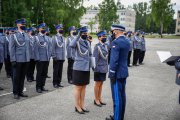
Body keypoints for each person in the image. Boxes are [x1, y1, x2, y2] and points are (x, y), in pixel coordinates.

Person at [106, 24, 130, 120]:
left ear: (116, 31)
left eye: (113, 31)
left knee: (117, 98)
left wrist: (111, 73)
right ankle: (119, 116)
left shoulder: (116, 42)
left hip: (116, 73)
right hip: (123, 72)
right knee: (122, 96)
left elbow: (114, 60)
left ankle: (116, 118)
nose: (112, 33)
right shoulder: (126, 41)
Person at [70, 27, 92, 114]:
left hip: (86, 67)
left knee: (84, 87)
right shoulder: (77, 41)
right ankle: (77, 106)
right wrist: (78, 35)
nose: (85, 35)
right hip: (79, 67)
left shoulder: (87, 42)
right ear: (80, 34)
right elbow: (71, 45)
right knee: (78, 87)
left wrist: (92, 64)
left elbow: (90, 53)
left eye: (86, 33)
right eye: (83, 33)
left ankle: (82, 104)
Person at [9, 19, 30, 99]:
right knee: (16, 77)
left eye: (24, 24)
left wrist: (28, 59)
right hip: (17, 60)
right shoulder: (14, 35)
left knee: (22, 76)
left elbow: (28, 48)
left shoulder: (26, 34)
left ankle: (20, 91)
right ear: (18, 25)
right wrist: (13, 60)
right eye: (22, 24)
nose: (24, 25)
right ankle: (15, 92)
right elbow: (11, 49)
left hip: (25, 59)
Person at [93, 31, 108, 107]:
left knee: (101, 84)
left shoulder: (105, 46)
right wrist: (95, 69)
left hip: (104, 68)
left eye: (105, 36)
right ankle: (96, 99)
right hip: (98, 68)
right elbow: (95, 59)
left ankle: (99, 98)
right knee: (97, 84)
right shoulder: (97, 46)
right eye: (103, 36)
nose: (104, 37)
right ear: (99, 38)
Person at [34, 23, 50, 93]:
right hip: (40, 59)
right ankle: (38, 87)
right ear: (39, 29)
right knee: (39, 73)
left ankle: (42, 86)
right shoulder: (36, 37)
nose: (44, 29)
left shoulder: (46, 37)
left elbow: (48, 48)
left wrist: (49, 57)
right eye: (43, 28)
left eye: (45, 28)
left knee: (44, 73)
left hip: (46, 58)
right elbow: (35, 49)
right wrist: (37, 58)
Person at [51, 24, 66, 88]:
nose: (61, 30)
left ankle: (59, 82)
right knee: (56, 71)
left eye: (62, 29)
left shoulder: (63, 37)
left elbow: (63, 48)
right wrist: (54, 56)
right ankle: (55, 83)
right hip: (57, 57)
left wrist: (63, 57)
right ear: (57, 30)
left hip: (61, 57)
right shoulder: (54, 37)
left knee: (60, 71)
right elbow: (53, 48)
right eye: (60, 29)